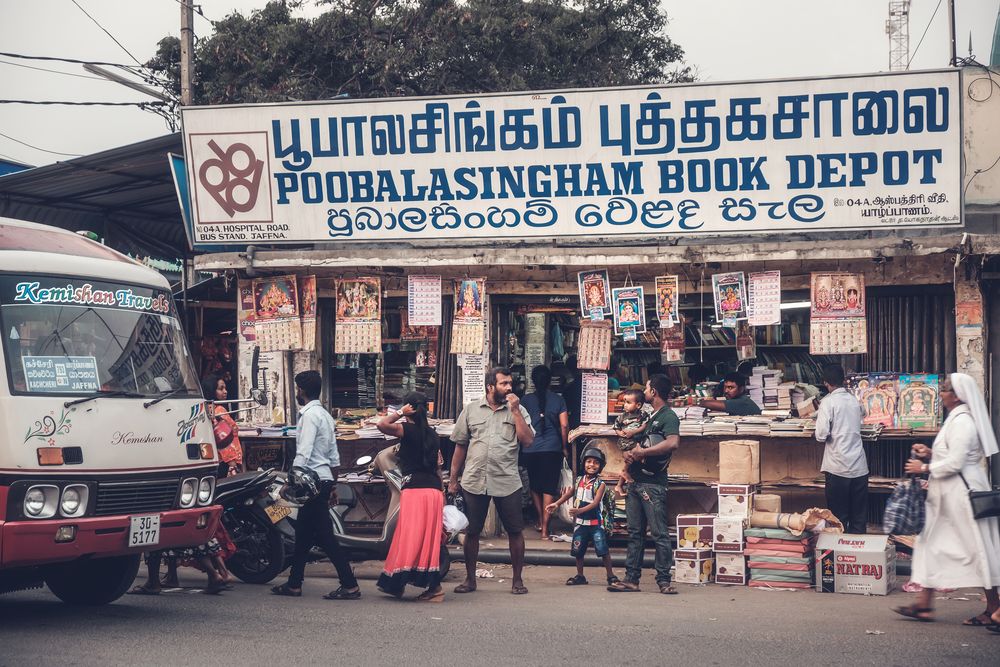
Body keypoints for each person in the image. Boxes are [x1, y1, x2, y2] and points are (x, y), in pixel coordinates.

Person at [894, 373, 1000, 627]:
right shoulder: (955, 420)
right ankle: (923, 603)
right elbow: (951, 454)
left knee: (976, 549)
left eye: (944, 389)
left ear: (956, 395)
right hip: (946, 497)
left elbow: (956, 462)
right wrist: (930, 452)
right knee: (931, 543)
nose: (940, 393)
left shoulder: (963, 422)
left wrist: (923, 468)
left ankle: (995, 607)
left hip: (962, 497)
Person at [271, 371, 360, 600]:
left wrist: (290, 481)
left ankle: (349, 584)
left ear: (301, 389)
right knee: (303, 534)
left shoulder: (310, 416)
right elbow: (334, 455)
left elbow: (304, 451)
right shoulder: (325, 415)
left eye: (297, 388)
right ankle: (294, 583)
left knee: (325, 537)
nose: (297, 393)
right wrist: (332, 483)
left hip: (312, 480)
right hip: (323, 479)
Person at [448, 366, 535, 595]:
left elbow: (527, 441)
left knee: (515, 531)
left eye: (510, 383)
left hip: (506, 480)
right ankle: (470, 580)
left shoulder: (518, 410)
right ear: (490, 387)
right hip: (475, 479)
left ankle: (517, 580)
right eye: (503, 384)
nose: (509, 388)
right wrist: (453, 479)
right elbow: (460, 446)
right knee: (472, 531)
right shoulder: (471, 411)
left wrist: (515, 412)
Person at [608, 374, 680, 594]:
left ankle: (664, 581)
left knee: (658, 533)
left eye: (647, 388)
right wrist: (633, 457)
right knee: (635, 533)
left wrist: (643, 452)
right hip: (636, 481)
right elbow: (640, 446)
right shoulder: (650, 417)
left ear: (654, 392)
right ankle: (631, 579)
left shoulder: (668, 416)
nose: (645, 391)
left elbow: (673, 442)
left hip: (653, 484)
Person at [375, 392, 446, 602]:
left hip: (415, 491)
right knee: (426, 542)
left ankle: (434, 587)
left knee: (408, 538)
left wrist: (398, 412)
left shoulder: (406, 429)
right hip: (433, 492)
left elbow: (382, 425)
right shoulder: (433, 434)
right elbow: (438, 469)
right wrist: (442, 497)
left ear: (409, 409)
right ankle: (402, 585)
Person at [545, 447, 620, 588]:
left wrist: (579, 510)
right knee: (578, 551)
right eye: (589, 461)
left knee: (603, 550)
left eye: (596, 463)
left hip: (596, 523)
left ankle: (611, 576)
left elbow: (595, 503)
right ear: (583, 463)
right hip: (580, 523)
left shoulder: (600, 484)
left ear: (600, 466)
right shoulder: (579, 480)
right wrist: (556, 503)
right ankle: (580, 575)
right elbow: (569, 494)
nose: (591, 465)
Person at [814, 364, 869, 534]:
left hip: (838, 467)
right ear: (844, 381)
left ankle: (840, 553)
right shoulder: (854, 400)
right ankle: (859, 553)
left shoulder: (827, 402)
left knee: (838, 518)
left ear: (825, 383)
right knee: (858, 517)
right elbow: (864, 414)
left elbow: (821, 435)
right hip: (859, 467)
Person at [520, 365, 569, 540]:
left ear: (533, 381)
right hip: (552, 449)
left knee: (535, 486)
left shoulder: (525, 400)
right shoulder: (558, 399)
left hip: (530, 449)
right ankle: (545, 530)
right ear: (550, 381)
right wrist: (564, 447)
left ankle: (541, 520)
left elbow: (520, 425)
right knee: (549, 488)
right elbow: (564, 426)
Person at [202, 375, 244, 476]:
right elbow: (223, 439)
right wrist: (232, 464)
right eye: (221, 389)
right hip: (226, 463)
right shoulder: (219, 411)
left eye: (225, 388)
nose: (225, 391)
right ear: (212, 390)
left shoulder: (206, 409)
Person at [613, 389, 650, 497]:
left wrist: (633, 432)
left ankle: (619, 485)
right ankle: (624, 472)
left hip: (634, 439)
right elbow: (616, 427)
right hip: (625, 441)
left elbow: (644, 426)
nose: (625, 405)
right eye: (624, 402)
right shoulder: (622, 417)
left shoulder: (643, 414)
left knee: (633, 457)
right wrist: (621, 433)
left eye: (628, 402)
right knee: (636, 453)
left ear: (638, 405)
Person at [563, 355, 583, 430]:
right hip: (590, 420)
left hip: (575, 422)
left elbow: (566, 409)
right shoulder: (590, 384)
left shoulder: (569, 388)